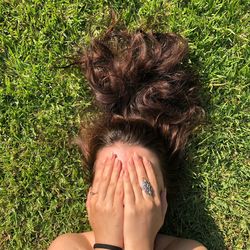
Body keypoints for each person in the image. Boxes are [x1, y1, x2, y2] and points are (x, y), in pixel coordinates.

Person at [48, 28, 207, 250]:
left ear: (163, 199)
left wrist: (137, 242)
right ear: (90, 198)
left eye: (143, 185)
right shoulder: (69, 245)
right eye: (109, 183)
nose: (127, 200)